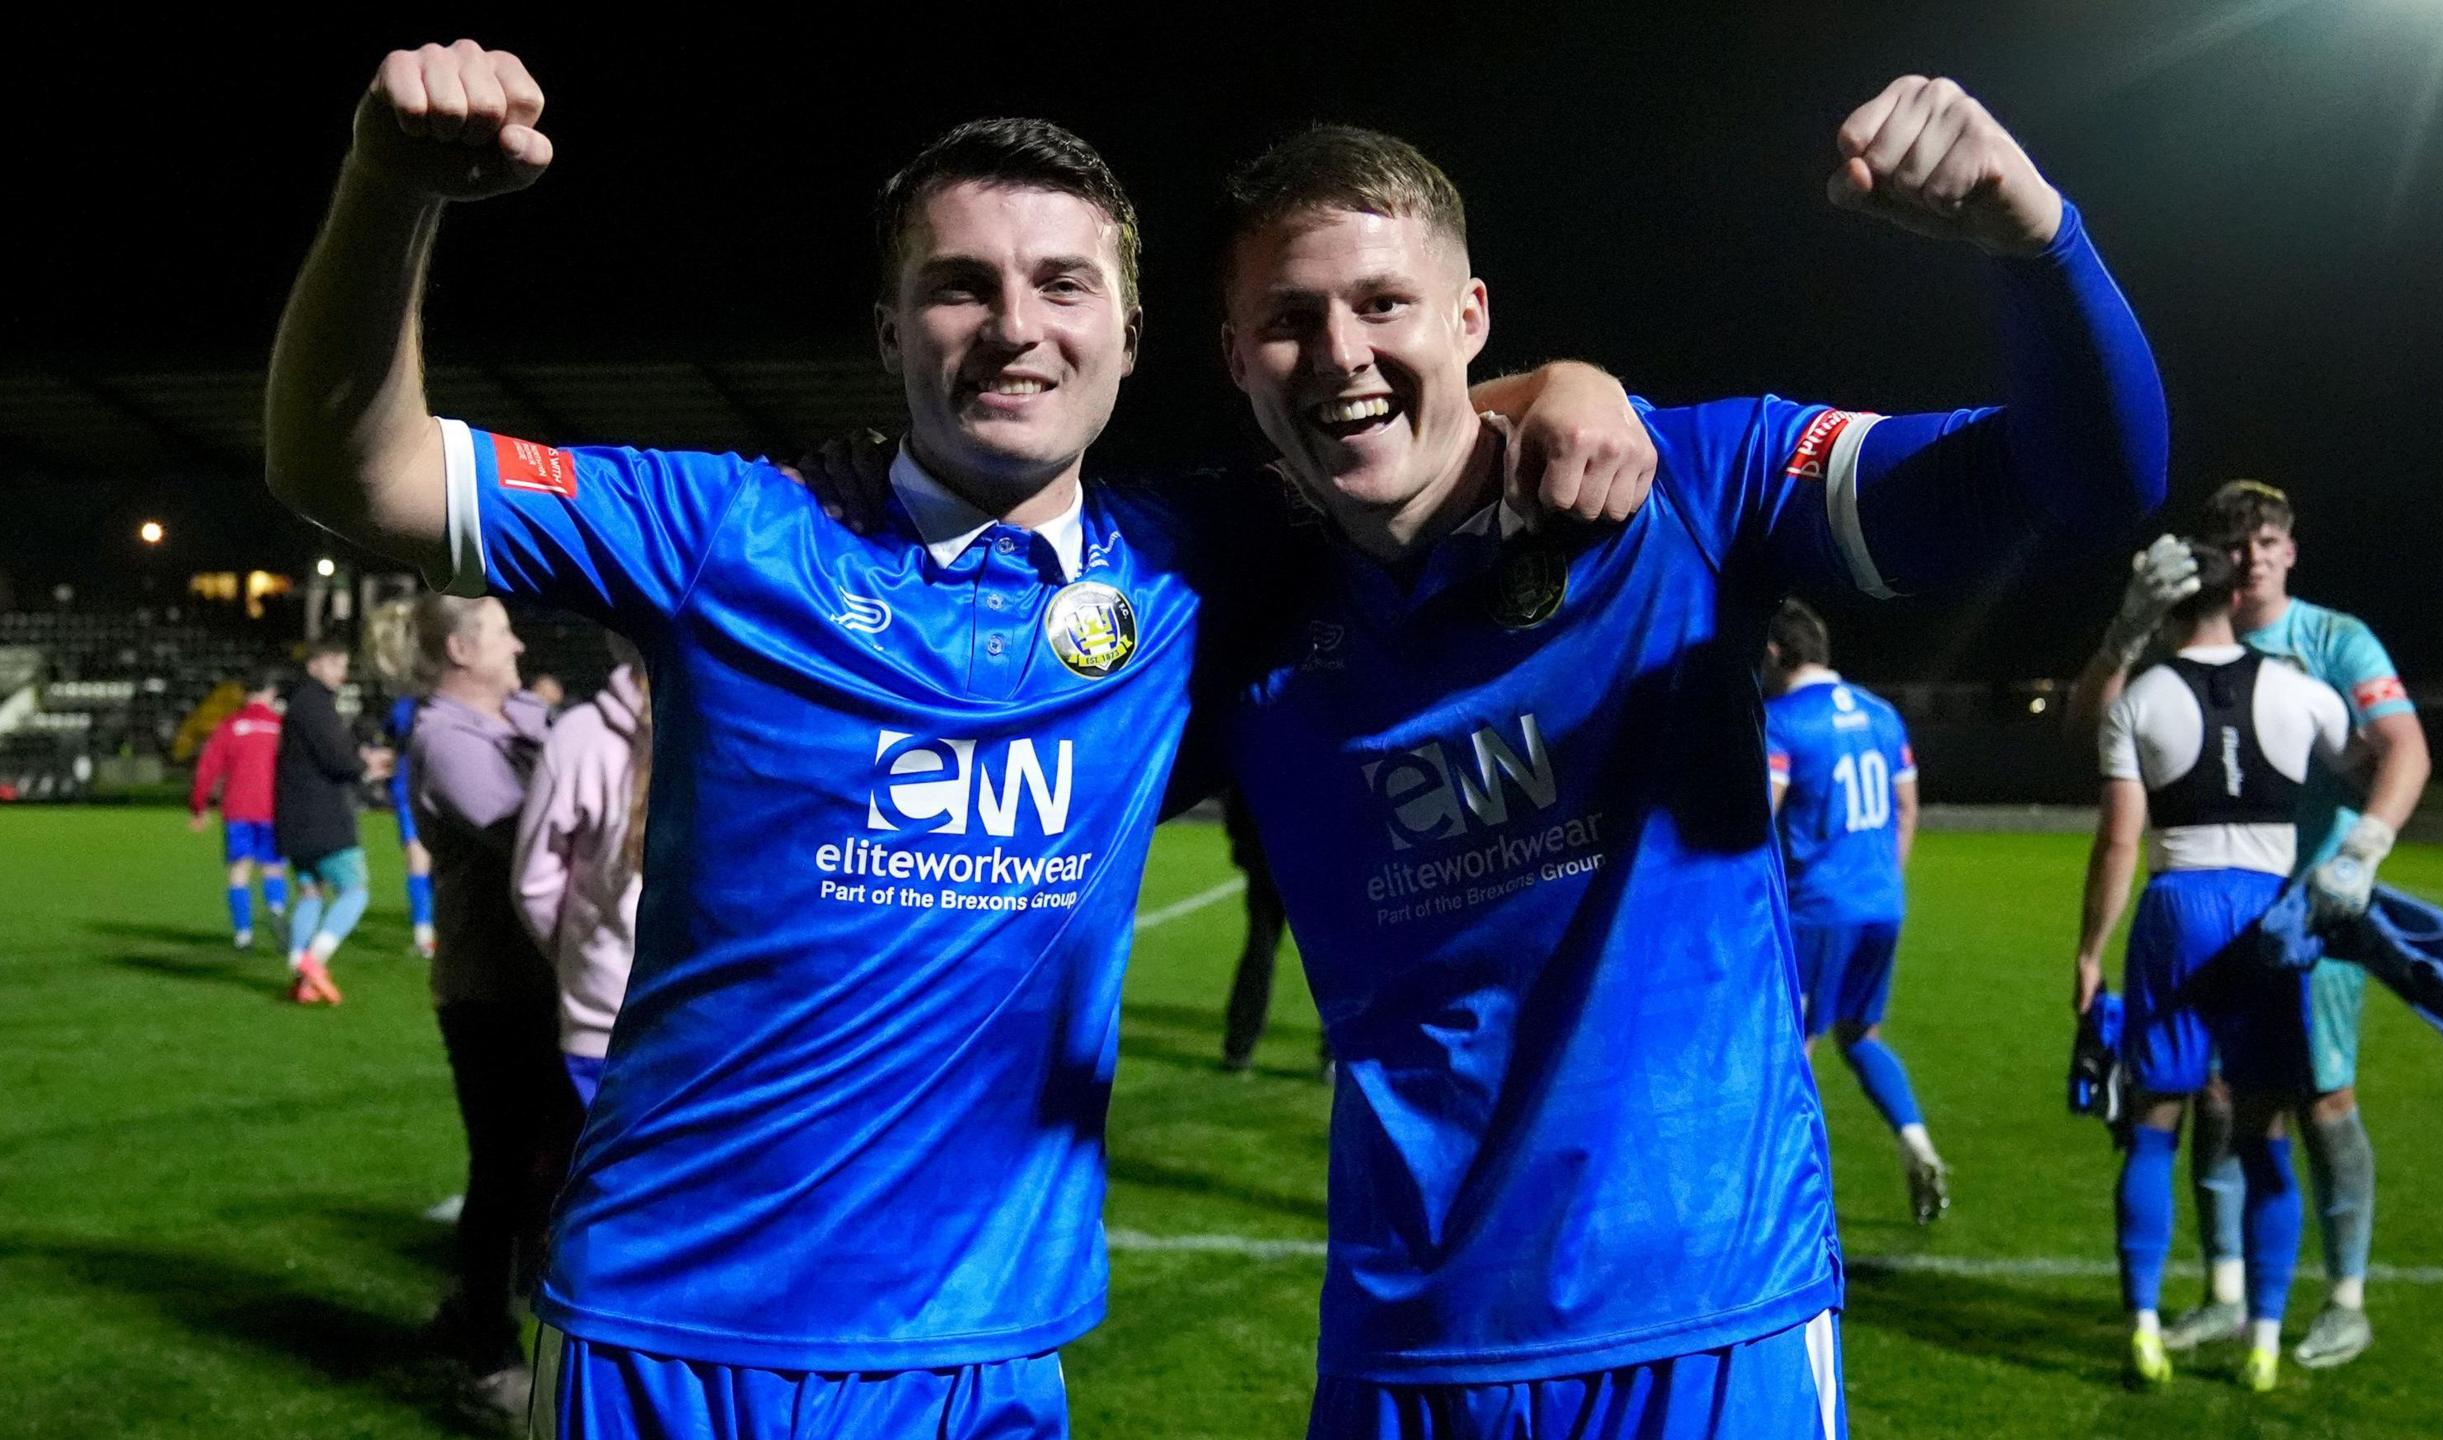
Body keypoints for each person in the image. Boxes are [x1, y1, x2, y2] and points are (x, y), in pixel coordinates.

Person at [264, 40, 1644, 1440]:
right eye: (959, 286)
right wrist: (389, 190)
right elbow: (352, 470)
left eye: (1061, 283)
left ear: (1128, 333)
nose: (1013, 326)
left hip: (990, 1358)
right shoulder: (729, 535)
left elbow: (1410, 419)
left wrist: (1569, 386)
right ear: (889, 335)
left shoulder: (1194, 564)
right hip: (677, 1339)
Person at [1212, 87, 2163, 1437]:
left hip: (1713, 1324)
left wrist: (2037, 243)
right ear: (1234, 357)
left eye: (1383, 304)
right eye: (1289, 319)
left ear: (1471, 317)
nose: (1339, 353)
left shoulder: (1689, 482)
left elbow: (2085, 481)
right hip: (1407, 1348)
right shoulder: (1216, 598)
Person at [2065, 480, 2429, 1368]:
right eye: (2240, 540)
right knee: (2227, 1104)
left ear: (2290, 549)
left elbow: (2405, 748)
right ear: (2223, 564)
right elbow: (2086, 727)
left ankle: (2345, 1298)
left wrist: (2364, 847)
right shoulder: (2189, 652)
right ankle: (2233, 1297)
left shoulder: (2334, 642)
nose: (2256, 552)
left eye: (2269, 537)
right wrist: (2120, 632)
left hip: (2317, 905)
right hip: (2249, 904)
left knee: (2319, 1100)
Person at [2074, 540, 2353, 1392]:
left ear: (2163, 606)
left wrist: (2089, 951)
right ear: (2236, 596)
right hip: (2269, 910)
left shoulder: (2141, 700)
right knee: (2265, 1134)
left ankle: (2146, 1329)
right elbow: (2371, 764)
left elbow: (2120, 838)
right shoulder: (2303, 690)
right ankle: (2265, 1340)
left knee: (2156, 1124)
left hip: (2178, 905)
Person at [392, 592, 575, 1421]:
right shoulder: (445, 739)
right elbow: (530, 831)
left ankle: (474, 1311)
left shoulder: (522, 714)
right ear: (462, 651)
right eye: (502, 629)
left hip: (547, 979)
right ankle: (486, 1353)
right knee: (501, 1168)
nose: (518, 640)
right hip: (491, 987)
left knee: (544, 1162)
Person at [1761, 599, 1945, 1223]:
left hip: (1817, 912)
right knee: (1861, 1036)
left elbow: (1760, 816)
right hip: (1881, 903)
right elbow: (1908, 809)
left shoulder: (1782, 722)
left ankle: (1797, 1215)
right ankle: (1915, 1140)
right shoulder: (1881, 714)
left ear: (1774, 653)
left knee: (1796, 1052)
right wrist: (1883, 882)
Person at [513, 638, 649, 1113]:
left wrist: (584, 956)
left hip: (602, 1020)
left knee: (600, 1186)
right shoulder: (738, 726)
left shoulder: (581, 734)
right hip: (711, 1029)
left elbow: (534, 886)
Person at [272, 639, 391, 1003]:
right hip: (322, 817)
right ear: (313, 667)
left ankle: (299, 975)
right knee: (355, 890)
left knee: (310, 892)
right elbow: (336, 760)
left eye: (343, 662)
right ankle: (314, 960)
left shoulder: (299, 705)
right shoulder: (315, 705)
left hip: (294, 819)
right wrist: (366, 765)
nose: (341, 669)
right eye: (334, 662)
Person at [1217, 789, 1326, 1077]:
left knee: (1259, 950)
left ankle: (1238, 1048)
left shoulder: (1265, 749)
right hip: (1313, 862)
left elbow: (1238, 794)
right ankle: (1333, 1053)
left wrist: (1240, 842)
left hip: (1267, 856)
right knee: (1329, 958)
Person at [188, 667, 291, 948]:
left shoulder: (230, 726)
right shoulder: (281, 726)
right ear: (271, 693)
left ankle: (243, 934)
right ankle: (277, 910)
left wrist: (198, 807)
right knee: (273, 868)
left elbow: (207, 769)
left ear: (245, 695)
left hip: (238, 809)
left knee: (239, 870)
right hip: (273, 808)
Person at [379, 688, 440, 957]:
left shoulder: (405, 705)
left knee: (419, 859)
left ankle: (424, 933)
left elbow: (390, 734)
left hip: (412, 788)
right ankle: (429, 933)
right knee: (433, 859)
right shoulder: (444, 702)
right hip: (434, 788)